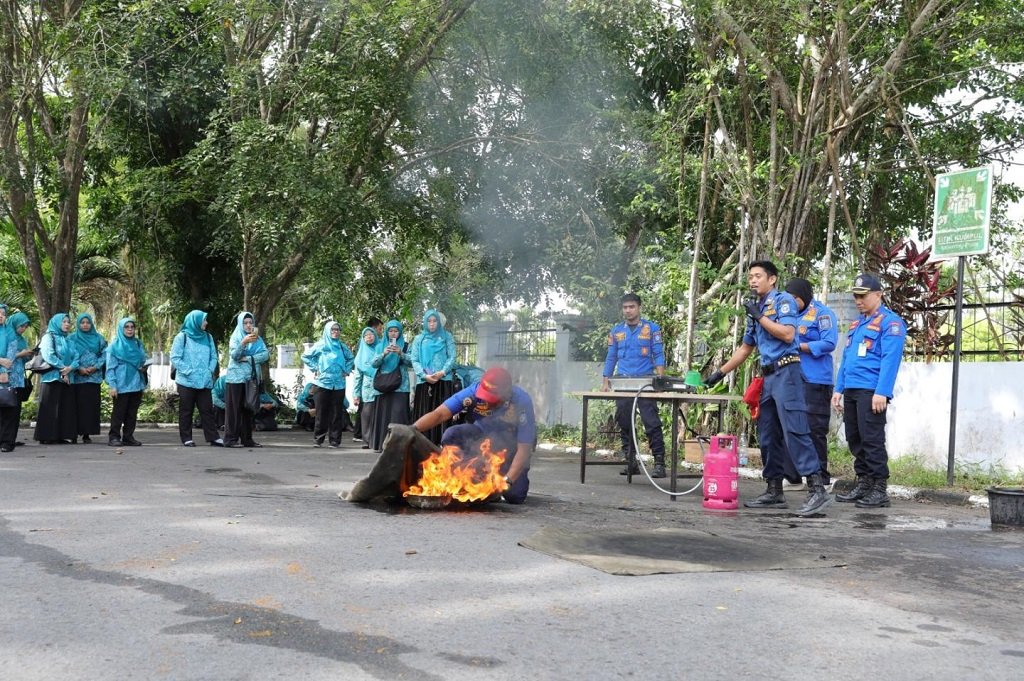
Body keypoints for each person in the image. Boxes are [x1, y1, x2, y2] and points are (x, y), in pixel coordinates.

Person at [705, 260, 832, 516]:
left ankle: (817, 489)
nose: (753, 281)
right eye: (750, 277)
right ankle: (774, 489)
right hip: (769, 377)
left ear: (772, 279)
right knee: (768, 434)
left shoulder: (782, 301)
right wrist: (719, 373)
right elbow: (745, 348)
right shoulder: (757, 308)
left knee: (795, 430)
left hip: (787, 372)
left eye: (758, 276)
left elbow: (787, 334)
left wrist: (760, 316)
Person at [832, 273, 908, 508]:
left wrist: (882, 392)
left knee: (872, 439)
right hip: (853, 389)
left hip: (871, 391)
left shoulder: (890, 323)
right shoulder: (857, 324)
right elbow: (846, 359)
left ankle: (879, 488)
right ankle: (864, 482)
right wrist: (838, 389)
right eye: (856, 296)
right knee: (856, 439)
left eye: (863, 296)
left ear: (878, 295)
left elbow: (890, 360)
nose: (858, 300)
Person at [412, 366, 535, 504]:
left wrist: (507, 480)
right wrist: (412, 429)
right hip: (480, 441)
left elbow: (524, 448)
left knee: (514, 496)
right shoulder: (473, 391)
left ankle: (497, 479)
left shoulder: (521, 401)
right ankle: (467, 477)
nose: (487, 401)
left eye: (492, 399)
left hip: (510, 450)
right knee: (452, 434)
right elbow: (440, 414)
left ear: (506, 393)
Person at [601, 293, 667, 478]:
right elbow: (611, 356)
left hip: (645, 383)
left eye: (631, 307)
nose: (628, 310)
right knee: (624, 422)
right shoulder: (616, 332)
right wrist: (605, 381)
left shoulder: (652, 329)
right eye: (625, 307)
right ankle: (631, 461)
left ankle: (659, 463)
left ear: (639, 308)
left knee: (651, 422)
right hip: (622, 382)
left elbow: (658, 354)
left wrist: (660, 378)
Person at [781, 278, 838, 490]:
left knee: (815, 429)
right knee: (792, 426)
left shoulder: (822, 314)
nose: (793, 303)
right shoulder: (788, 316)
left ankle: (821, 477)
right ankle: (793, 476)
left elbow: (829, 343)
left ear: (804, 295)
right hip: (792, 379)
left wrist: (800, 346)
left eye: (795, 298)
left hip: (815, 380)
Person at [170, 310, 222, 447]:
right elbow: (175, 357)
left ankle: (213, 437)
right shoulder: (182, 337)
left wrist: (209, 370)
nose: (206, 323)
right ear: (195, 321)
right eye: (204, 320)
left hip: (204, 380)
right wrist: (189, 371)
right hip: (186, 381)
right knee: (186, 410)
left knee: (207, 409)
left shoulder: (208, 337)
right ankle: (186, 438)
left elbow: (214, 356)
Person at [302, 321, 354, 447]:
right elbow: (305, 356)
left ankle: (335, 441)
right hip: (323, 383)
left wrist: (346, 370)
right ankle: (318, 439)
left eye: (337, 330)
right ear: (327, 331)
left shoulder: (342, 347)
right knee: (321, 412)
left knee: (336, 413)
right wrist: (316, 368)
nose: (335, 332)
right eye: (333, 330)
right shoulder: (321, 345)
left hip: (339, 384)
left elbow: (351, 358)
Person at [223, 311, 270, 448]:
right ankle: (230, 439)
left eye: (251, 322)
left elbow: (265, 355)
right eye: (245, 323)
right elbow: (235, 356)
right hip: (235, 379)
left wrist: (248, 358)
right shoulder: (236, 337)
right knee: (234, 410)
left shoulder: (258, 339)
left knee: (248, 409)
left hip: (251, 378)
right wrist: (243, 343)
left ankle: (247, 439)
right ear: (240, 324)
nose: (249, 325)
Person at [410, 309, 457, 445]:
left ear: (438, 322)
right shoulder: (419, 339)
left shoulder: (446, 336)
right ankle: (423, 446)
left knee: (443, 414)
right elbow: (415, 360)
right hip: (424, 382)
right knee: (425, 413)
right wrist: (424, 376)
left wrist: (442, 372)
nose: (432, 324)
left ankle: (443, 446)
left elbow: (452, 356)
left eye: (434, 321)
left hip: (443, 381)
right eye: (429, 321)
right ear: (425, 322)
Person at [33, 313, 81, 445]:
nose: (66, 324)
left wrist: (70, 368)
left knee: (65, 407)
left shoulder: (69, 340)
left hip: (68, 378)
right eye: (63, 322)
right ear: (56, 323)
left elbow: (77, 357)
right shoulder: (48, 337)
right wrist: (63, 369)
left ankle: (62, 435)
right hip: (52, 378)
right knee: (50, 407)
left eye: (68, 322)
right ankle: (48, 436)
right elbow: (49, 355)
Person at [370, 319, 413, 450]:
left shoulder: (406, 346)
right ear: (387, 332)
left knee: (398, 415)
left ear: (400, 332)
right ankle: (381, 444)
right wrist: (384, 353)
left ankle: (398, 446)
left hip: (401, 386)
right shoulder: (379, 346)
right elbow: (373, 363)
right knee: (383, 416)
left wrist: (401, 354)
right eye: (390, 331)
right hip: (383, 386)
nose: (393, 334)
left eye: (396, 331)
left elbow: (412, 362)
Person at [105, 317, 148, 446]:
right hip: (121, 384)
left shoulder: (138, 344)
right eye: (126, 327)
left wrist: (143, 366)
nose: (130, 329)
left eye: (132, 327)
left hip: (136, 383)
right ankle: (114, 437)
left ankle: (128, 437)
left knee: (132, 413)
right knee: (119, 412)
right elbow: (110, 368)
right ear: (121, 329)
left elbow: (142, 360)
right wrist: (112, 385)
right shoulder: (114, 346)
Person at [68, 313, 107, 444]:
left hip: (93, 378)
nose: (85, 325)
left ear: (91, 324)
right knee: (75, 406)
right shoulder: (72, 338)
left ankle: (86, 434)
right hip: (77, 377)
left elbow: (105, 355)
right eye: (82, 322)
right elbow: (69, 355)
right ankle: (72, 433)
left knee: (90, 406)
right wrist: (79, 368)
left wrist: (96, 367)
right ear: (78, 324)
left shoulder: (99, 339)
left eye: (87, 322)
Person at [0, 312, 33, 452]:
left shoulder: (16, 337)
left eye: (25, 326)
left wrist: (28, 355)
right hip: (3, 375)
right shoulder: (6, 334)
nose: (23, 329)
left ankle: (7, 442)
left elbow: (14, 357)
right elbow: (7, 358)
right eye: (21, 326)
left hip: (16, 378)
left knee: (12, 410)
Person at [352, 317, 383, 443]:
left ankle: (377, 440)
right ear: (363, 338)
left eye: (371, 334)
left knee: (379, 415)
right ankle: (367, 440)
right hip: (367, 390)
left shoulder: (381, 349)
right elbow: (357, 377)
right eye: (366, 335)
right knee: (367, 415)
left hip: (381, 387)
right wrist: (356, 394)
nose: (369, 337)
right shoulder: (360, 355)